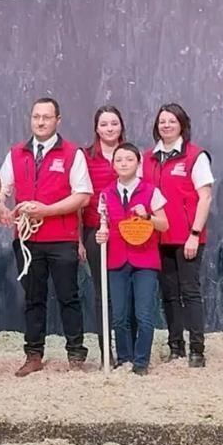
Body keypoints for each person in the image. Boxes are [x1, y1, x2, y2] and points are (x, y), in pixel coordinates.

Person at [0, 97, 93, 376]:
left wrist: (47, 211)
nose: (40, 122)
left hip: (62, 239)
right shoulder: (16, 153)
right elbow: (1, 187)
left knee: (68, 297)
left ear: (57, 121)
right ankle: (33, 354)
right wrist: (1, 206)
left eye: (47, 117)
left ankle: (75, 354)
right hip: (27, 242)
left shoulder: (72, 154)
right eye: (36, 116)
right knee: (33, 298)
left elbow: (83, 195)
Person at [142, 103, 214, 368]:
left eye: (172, 121)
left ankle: (197, 348)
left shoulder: (196, 156)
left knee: (190, 292)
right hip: (159, 238)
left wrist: (194, 233)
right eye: (162, 121)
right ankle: (176, 346)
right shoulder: (147, 157)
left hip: (187, 239)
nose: (166, 125)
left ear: (182, 124)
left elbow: (205, 197)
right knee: (169, 294)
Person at [96, 143, 169, 375]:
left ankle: (141, 362)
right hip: (117, 259)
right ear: (113, 164)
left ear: (138, 163)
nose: (124, 163)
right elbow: (104, 224)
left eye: (129, 159)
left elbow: (164, 224)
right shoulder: (106, 195)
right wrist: (102, 233)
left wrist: (147, 215)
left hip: (145, 260)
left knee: (144, 314)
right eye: (119, 160)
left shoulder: (151, 191)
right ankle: (124, 358)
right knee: (119, 316)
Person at [79, 105, 125, 365]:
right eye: (104, 124)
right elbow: (79, 198)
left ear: (121, 126)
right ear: (97, 128)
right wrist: (78, 240)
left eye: (114, 124)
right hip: (95, 231)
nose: (109, 128)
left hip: (126, 233)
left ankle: (128, 350)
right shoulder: (85, 157)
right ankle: (106, 352)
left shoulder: (130, 155)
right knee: (101, 293)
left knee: (124, 290)